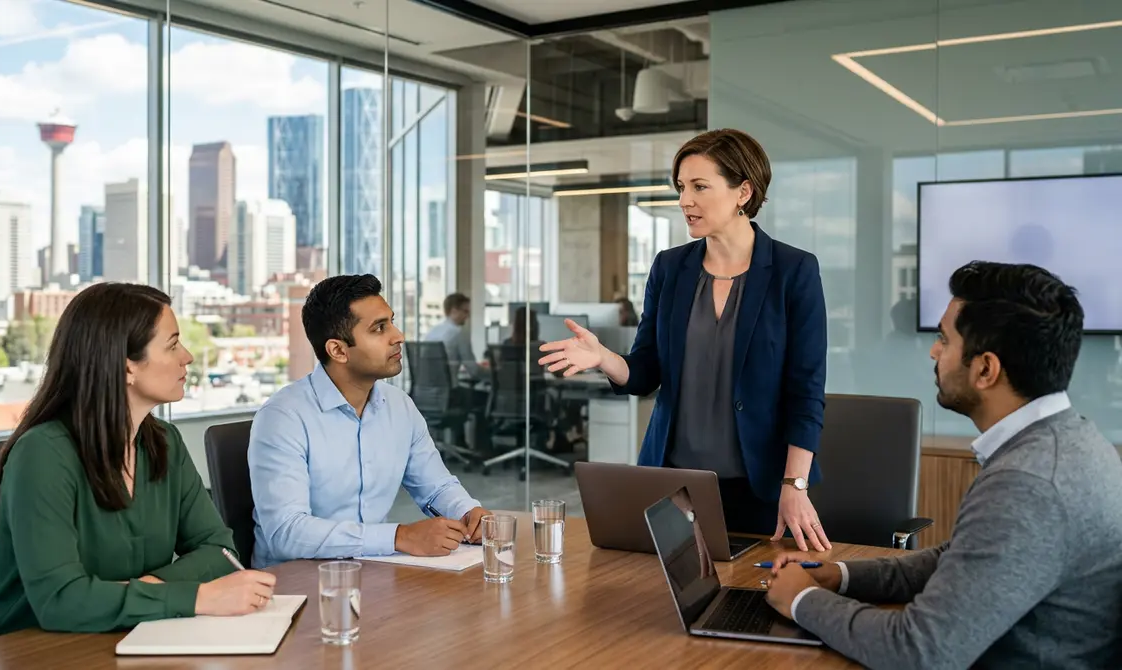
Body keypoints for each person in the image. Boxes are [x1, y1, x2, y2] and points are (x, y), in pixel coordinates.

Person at [766, 261, 1122, 669]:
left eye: (944, 339)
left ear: (986, 369)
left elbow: (919, 652)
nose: (934, 350)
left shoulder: (1029, 482)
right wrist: (842, 577)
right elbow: (962, 559)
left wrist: (802, 600)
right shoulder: (1071, 441)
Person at [538, 128, 830, 551]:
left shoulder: (794, 271)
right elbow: (644, 371)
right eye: (680, 187)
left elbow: (806, 392)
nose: (684, 201)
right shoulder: (670, 268)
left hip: (765, 489)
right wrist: (603, 357)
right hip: (673, 488)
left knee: (753, 606)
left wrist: (795, 484)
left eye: (699, 187)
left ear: (743, 192)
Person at [0, 283, 276, 635]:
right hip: (34, 646)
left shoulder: (164, 442)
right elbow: (60, 601)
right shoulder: (42, 454)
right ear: (125, 366)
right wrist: (196, 597)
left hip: (132, 634)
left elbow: (220, 551)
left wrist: (144, 591)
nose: (187, 356)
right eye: (173, 344)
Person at [248, 274, 490, 568]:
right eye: (379, 328)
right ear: (338, 350)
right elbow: (286, 532)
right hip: (296, 585)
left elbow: (436, 487)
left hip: (373, 575)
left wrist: (468, 512)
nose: (398, 335)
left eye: (391, 321)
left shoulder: (399, 407)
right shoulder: (283, 418)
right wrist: (399, 537)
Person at [425, 292, 486, 381]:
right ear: (454, 311)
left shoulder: (433, 331)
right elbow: (473, 371)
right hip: (448, 390)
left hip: (425, 389)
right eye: (465, 311)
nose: (468, 316)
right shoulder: (458, 333)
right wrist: (492, 372)